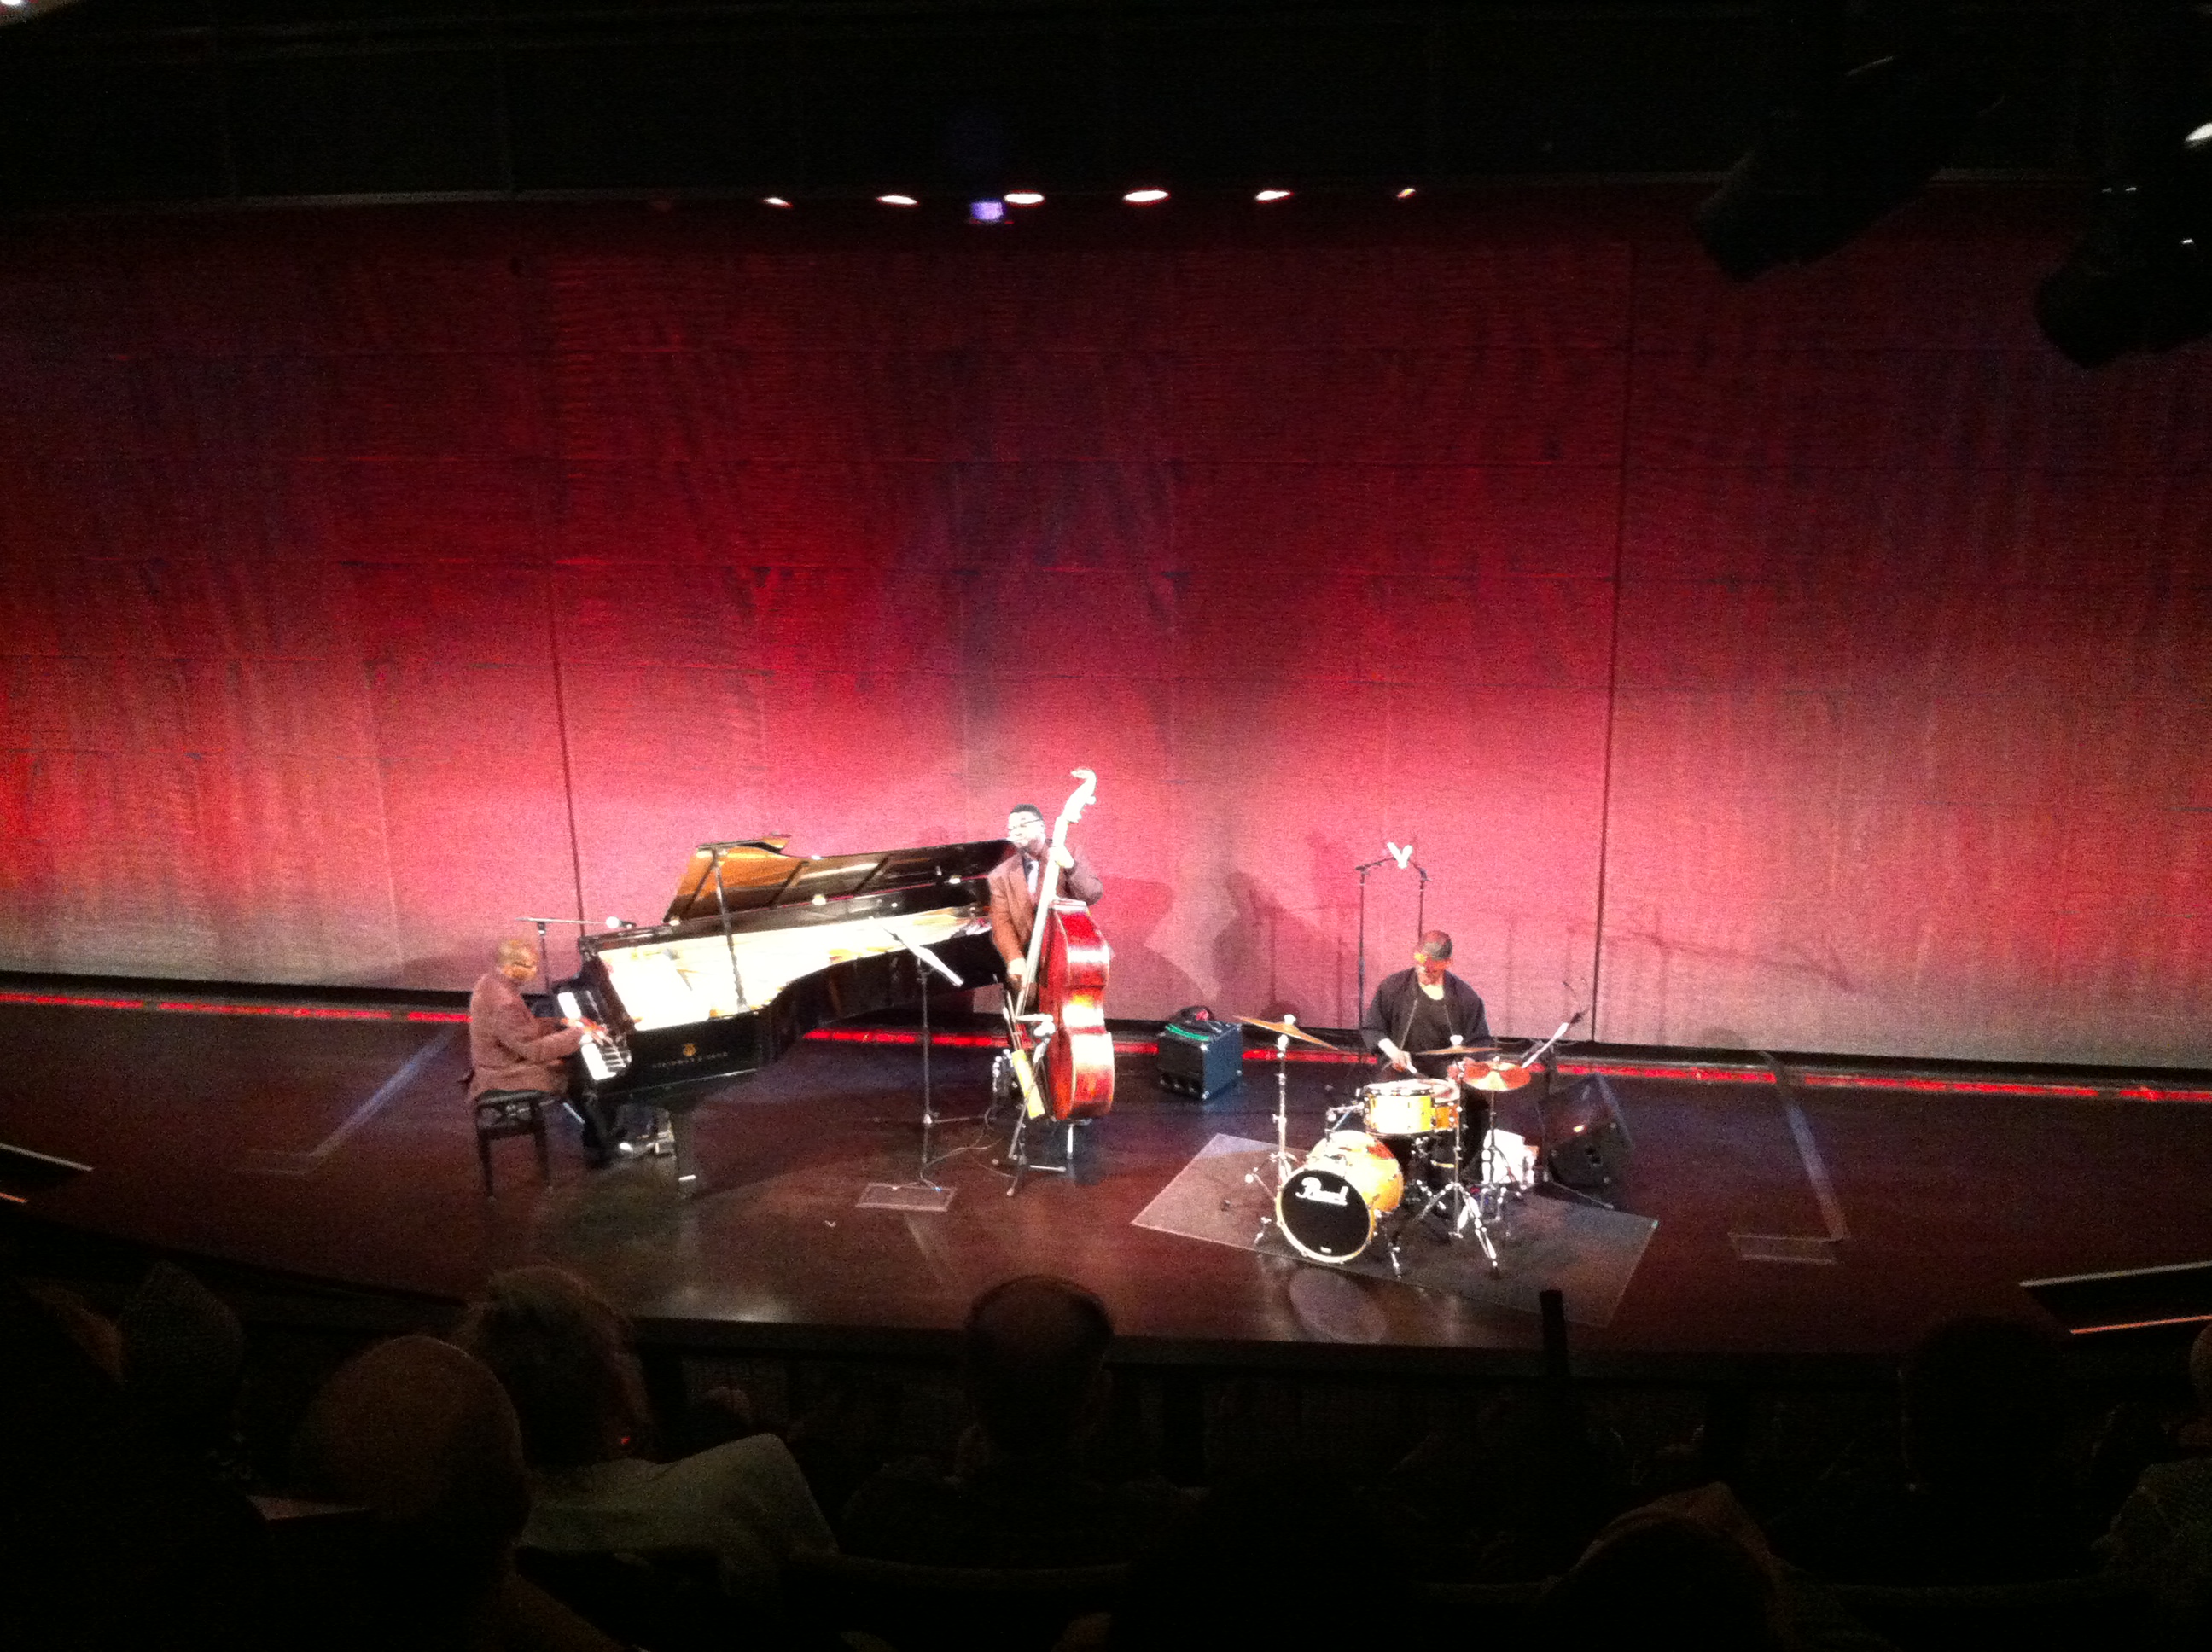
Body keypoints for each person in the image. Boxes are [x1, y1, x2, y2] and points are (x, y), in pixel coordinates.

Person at [449, 1265, 835, 1604]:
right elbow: (829, 1592)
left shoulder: (471, 1538)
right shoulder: (757, 1468)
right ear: (613, 1388)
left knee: (721, 1408)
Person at [838, 1275, 1187, 1567]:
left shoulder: (885, 1514)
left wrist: (957, 1474)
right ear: (1098, 1399)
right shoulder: (1158, 1527)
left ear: (966, 1390)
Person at [469, 938, 601, 1159]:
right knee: (581, 1074)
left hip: (508, 1056)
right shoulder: (504, 1002)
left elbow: (523, 1029)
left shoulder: (492, 981)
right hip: (505, 1071)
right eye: (530, 966)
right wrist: (579, 1034)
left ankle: (595, 1133)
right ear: (510, 967)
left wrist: (562, 1022)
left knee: (577, 1061)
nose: (535, 971)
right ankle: (598, 1142)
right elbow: (534, 1051)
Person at [987, 802, 1104, 992]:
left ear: (1041, 826)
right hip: (1031, 960)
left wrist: (1070, 865)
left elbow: (1092, 894)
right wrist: (1014, 958)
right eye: (1011, 828)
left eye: (1023, 824)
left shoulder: (1070, 852)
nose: (1016, 831)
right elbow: (1001, 921)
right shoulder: (1000, 875)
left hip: (1071, 956)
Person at [1361, 930, 1490, 1079]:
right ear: (1416, 954)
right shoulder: (1393, 986)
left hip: (1445, 1075)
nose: (1424, 970)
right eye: (1420, 963)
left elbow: (1479, 1040)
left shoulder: (1465, 997)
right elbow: (1373, 1028)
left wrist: (1468, 1063)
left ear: (1448, 962)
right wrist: (1393, 1051)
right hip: (1400, 1072)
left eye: (1431, 970)